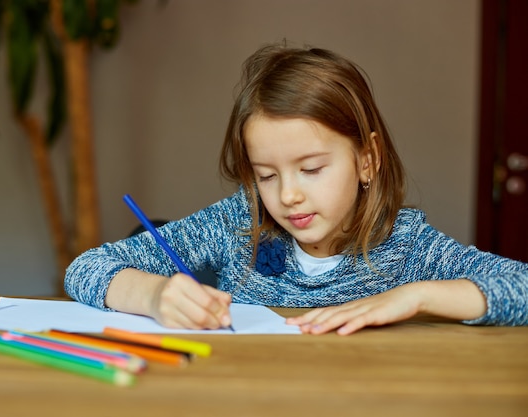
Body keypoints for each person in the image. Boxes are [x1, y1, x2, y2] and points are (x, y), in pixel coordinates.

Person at [65, 42, 528, 335]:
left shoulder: (404, 244)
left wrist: (417, 295)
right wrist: (151, 295)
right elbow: (86, 268)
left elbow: (521, 287)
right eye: (266, 175)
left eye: (310, 169)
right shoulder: (238, 222)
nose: (287, 195)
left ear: (367, 159)